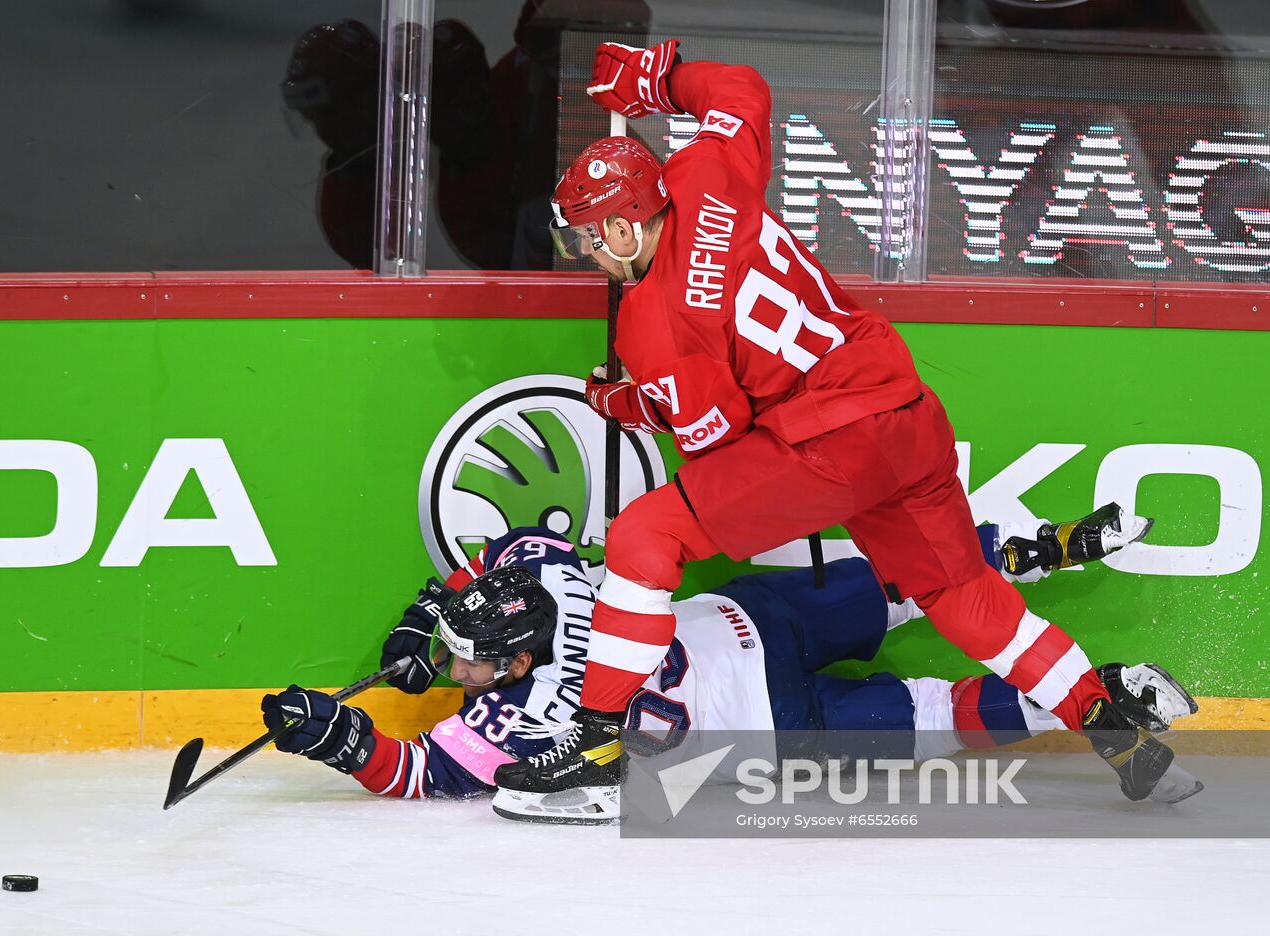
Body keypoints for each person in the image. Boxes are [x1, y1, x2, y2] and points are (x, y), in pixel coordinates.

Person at [494, 40, 1197, 812]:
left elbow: (719, 443)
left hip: (831, 442)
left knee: (643, 537)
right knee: (962, 595)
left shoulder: (654, 327)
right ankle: (1109, 725)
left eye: (589, 240)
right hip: (904, 407)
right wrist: (660, 81)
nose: (589, 256)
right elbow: (742, 87)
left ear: (624, 230)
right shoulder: (705, 174)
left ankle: (595, 740)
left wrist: (628, 403)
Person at [259, 511, 1197, 822]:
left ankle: (1047, 555)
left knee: (923, 630)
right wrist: (408, 641)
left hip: (760, 652)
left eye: (468, 661)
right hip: (764, 689)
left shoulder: (517, 669)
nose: (456, 674)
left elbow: (418, 773)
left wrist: (350, 738)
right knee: (931, 688)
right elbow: (480, 565)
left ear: (517, 649)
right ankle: (1093, 675)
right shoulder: (526, 580)